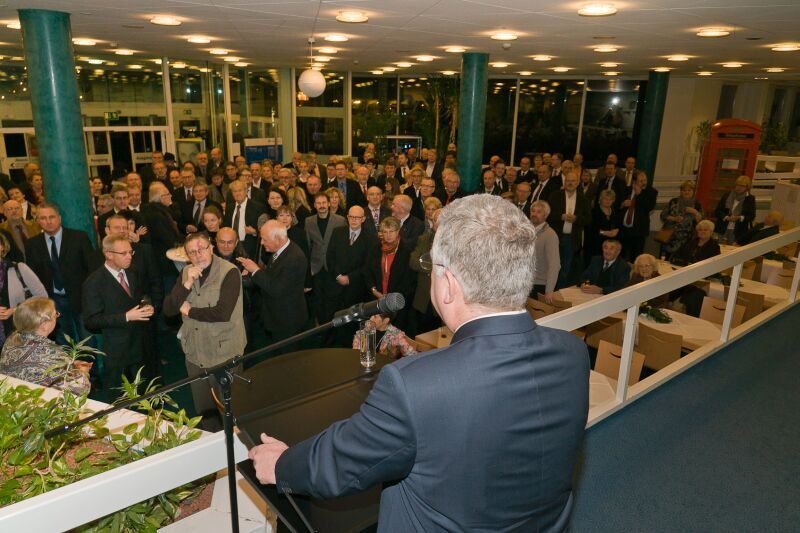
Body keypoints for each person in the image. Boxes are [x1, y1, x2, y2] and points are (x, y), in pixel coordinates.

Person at [249, 194, 590, 531]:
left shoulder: (415, 384)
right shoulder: (573, 354)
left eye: (432, 268)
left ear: (448, 286)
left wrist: (282, 464)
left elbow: (343, 463)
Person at [163, 232, 246, 430]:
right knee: (205, 412)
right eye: (193, 252)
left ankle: (238, 456)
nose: (199, 255)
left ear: (211, 247)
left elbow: (222, 312)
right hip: (195, 353)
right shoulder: (186, 273)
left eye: (202, 249)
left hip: (224, 354)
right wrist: (187, 284)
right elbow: (168, 309)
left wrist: (190, 310)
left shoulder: (230, 272)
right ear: (187, 256)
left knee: (231, 410)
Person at [83, 235, 155, 397]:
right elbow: (91, 321)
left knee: (144, 392)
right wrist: (126, 317)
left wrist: (146, 304)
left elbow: (140, 296)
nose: (129, 256)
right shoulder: (94, 282)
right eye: (124, 253)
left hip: (140, 342)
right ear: (108, 254)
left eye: (131, 252)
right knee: (119, 398)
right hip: (116, 350)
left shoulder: (132, 271)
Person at [24, 203, 96, 346]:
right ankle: (66, 369)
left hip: (80, 299)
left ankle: (91, 369)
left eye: (52, 217)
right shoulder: (32, 244)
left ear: (59, 218)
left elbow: (92, 268)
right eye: (43, 218)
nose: (48, 221)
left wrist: (90, 295)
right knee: (62, 341)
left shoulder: (79, 237)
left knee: (87, 340)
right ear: (38, 221)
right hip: (52, 301)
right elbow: (33, 276)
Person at [238, 220, 309, 356]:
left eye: (264, 240)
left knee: (288, 360)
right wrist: (255, 270)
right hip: (278, 317)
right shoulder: (282, 251)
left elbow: (276, 289)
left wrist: (255, 271)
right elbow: (272, 275)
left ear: (278, 239)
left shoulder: (294, 258)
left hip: (288, 321)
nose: (261, 243)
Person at [0, 296, 92, 394]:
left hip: (11, 397)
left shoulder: (12, 339)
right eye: (55, 314)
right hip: (38, 403)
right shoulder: (52, 353)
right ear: (44, 325)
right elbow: (81, 389)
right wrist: (82, 372)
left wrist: (69, 365)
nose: (57, 316)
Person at [365, 216, 415, 331]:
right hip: (377, 298)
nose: (388, 235)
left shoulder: (406, 250)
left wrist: (391, 298)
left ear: (397, 231)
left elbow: (409, 280)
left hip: (398, 302)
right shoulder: (375, 249)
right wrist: (374, 291)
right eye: (385, 232)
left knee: (396, 336)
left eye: (391, 231)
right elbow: (367, 272)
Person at [305, 193, 346, 325]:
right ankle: (321, 326)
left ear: (329, 204)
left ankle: (332, 326)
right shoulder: (309, 221)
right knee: (318, 299)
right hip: (316, 268)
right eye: (318, 203)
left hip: (333, 266)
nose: (321, 205)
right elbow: (307, 245)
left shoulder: (340, 220)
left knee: (332, 299)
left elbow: (343, 245)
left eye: (324, 202)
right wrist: (309, 267)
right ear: (314, 205)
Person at [0, 233, 47, 341]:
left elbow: (43, 298)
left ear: (2, 247)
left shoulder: (20, 268)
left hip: (19, 331)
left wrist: (15, 310)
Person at [547, 172, 590, 288]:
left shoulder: (583, 199)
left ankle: (558, 292)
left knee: (565, 268)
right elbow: (548, 215)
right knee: (552, 266)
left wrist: (576, 218)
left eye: (573, 181)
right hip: (555, 237)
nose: (570, 183)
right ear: (564, 182)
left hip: (571, 239)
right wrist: (561, 216)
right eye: (567, 181)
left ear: (577, 183)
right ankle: (549, 290)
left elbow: (588, 219)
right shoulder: (555, 196)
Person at [409, 208, 442, 335]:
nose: (437, 224)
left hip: (443, 297)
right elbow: (413, 262)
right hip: (423, 297)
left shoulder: (454, 243)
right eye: (435, 221)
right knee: (421, 335)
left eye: (441, 221)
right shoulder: (424, 239)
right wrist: (434, 267)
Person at [618, 171, 658, 261]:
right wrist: (622, 204)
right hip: (623, 230)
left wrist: (640, 194)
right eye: (641, 181)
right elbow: (617, 206)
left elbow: (649, 207)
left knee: (635, 257)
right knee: (621, 255)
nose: (644, 183)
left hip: (638, 231)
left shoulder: (651, 191)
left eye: (645, 180)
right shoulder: (626, 189)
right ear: (634, 181)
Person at [659, 180, 703, 259]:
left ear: (693, 191)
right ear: (681, 191)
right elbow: (663, 215)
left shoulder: (697, 204)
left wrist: (695, 212)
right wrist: (674, 218)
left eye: (689, 190)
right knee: (666, 260)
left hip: (687, 239)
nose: (686, 192)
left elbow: (701, 222)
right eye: (684, 190)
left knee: (682, 261)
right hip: (670, 237)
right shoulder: (673, 201)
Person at [223, 180, 267, 259]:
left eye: (240, 190)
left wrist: (254, 231)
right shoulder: (229, 207)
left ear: (246, 191)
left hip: (249, 248)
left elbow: (265, 229)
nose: (237, 193)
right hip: (231, 246)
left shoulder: (258, 207)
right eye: (234, 191)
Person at [530, 200, 561, 303]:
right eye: (533, 211)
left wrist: (549, 290)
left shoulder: (550, 235)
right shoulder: (527, 231)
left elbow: (554, 265)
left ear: (546, 215)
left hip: (540, 285)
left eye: (539, 212)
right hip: (525, 283)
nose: (535, 214)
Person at [714, 175, 756, 244]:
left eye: (742, 186)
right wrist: (726, 217)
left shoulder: (750, 199)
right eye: (737, 185)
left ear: (747, 187)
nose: (739, 187)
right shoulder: (727, 195)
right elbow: (717, 211)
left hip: (738, 230)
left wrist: (739, 217)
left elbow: (751, 216)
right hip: (722, 228)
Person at [585, 189, 620, 267]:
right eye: (605, 199)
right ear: (600, 199)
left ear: (613, 200)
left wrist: (616, 230)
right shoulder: (593, 212)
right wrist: (605, 233)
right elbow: (590, 229)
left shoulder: (615, 212)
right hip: (595, 245)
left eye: (610, 199)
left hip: (610, 246)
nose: (608, 201)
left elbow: (618, 225)